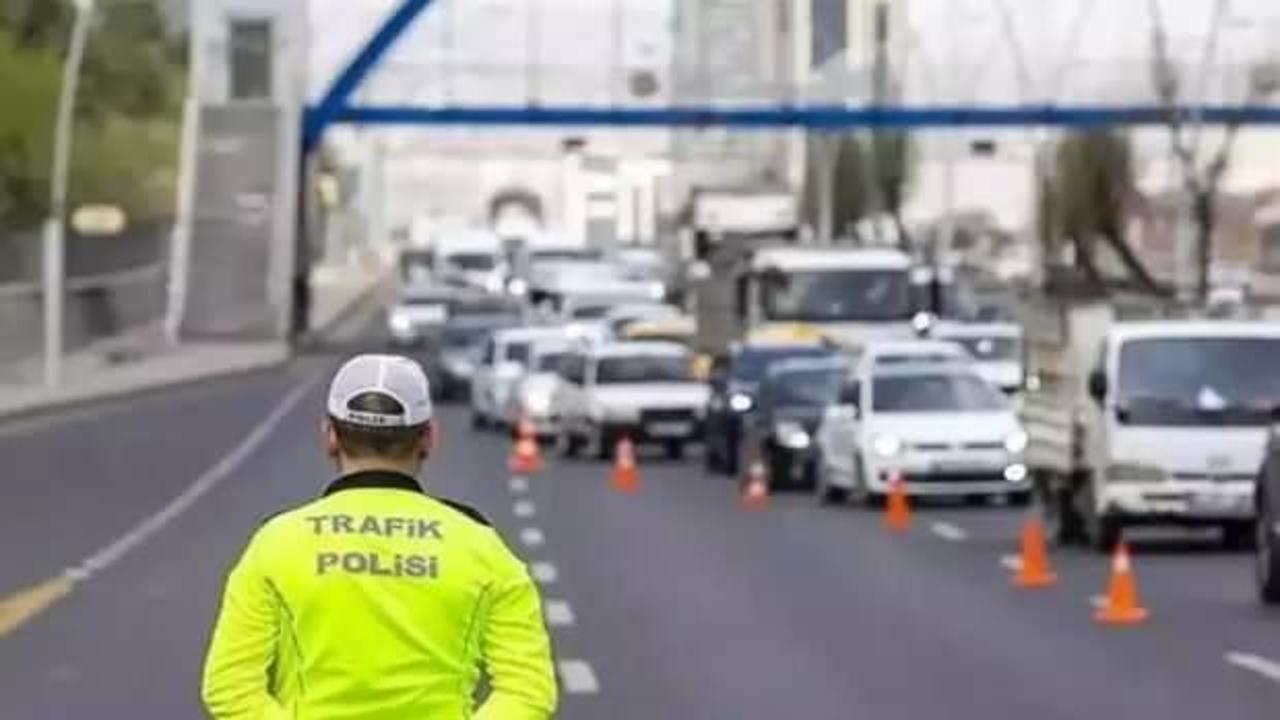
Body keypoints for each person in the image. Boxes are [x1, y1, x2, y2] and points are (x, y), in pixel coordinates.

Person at [201, 354, 558, 719]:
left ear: (330, 437)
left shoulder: (276, 544)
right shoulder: (481, 547)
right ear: (429, 439)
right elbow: (527, 691)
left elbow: (230, 687)